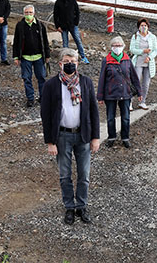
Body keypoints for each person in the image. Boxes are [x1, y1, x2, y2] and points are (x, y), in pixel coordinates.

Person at [41, 48, 100, 225]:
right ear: (60, 63)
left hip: (83, 135)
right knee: (65, 175)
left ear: (78, 63)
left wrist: (96, 137)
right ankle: (69, 207)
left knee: (84, 174)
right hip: (62, 136)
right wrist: (50, 142)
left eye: (73, 61)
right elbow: (46, 114)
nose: (70, 64)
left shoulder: (86, 83)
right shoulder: (51, 85)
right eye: (67, 61)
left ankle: (81, 206)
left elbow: (94, 111)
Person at [97, 36, 141, 148]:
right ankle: (111, 137)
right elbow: (102, 78)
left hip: (125, 93)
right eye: (115, 45)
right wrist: (100, 96)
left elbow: (134, 77)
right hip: (110, 93)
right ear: (111, 47)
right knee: (110, 117)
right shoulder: (106, 60)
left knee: (125, 117)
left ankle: (125, 137)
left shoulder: (127, 59)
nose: (117, 47)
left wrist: (139, 92)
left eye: (119, 45)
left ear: (123, 46)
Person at [13, 5, 51, 107]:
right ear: (24, 14)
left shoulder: (40, 25)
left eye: (30, 13)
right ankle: (30, 98)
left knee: (41, 78)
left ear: (34, 13)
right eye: (26, 13)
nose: (28, 15)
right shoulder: (20, 26)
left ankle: (43, 97)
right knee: (27, 78)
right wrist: (16, 57)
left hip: (39, 57)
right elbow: (16, 42)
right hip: (25, 58)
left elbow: (45, 41)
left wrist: (47, 55)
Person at [54, 0, 89, 64]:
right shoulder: (58, 2)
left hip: (72, 25)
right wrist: (57, 26)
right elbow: (55, 15)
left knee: (78, 40)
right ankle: (65, 59)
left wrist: (76, 23)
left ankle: (83, 56)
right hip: (63, 26)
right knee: (65, 43)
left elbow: (77, 12)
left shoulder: (73, 1)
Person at [129, 18, 157, 110]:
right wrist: (142, 51)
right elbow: (132, 49)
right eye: (141, 25)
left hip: (148, 63)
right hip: (138, 62)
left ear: (148, 26)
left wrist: (149, 57)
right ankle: (130, 102)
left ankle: (142, 101)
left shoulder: (152, 37)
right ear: (138, 27)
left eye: (145, 25)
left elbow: (155, 50)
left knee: (146, 83)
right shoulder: (135, 36)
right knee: (135, 81)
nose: (143, 27)